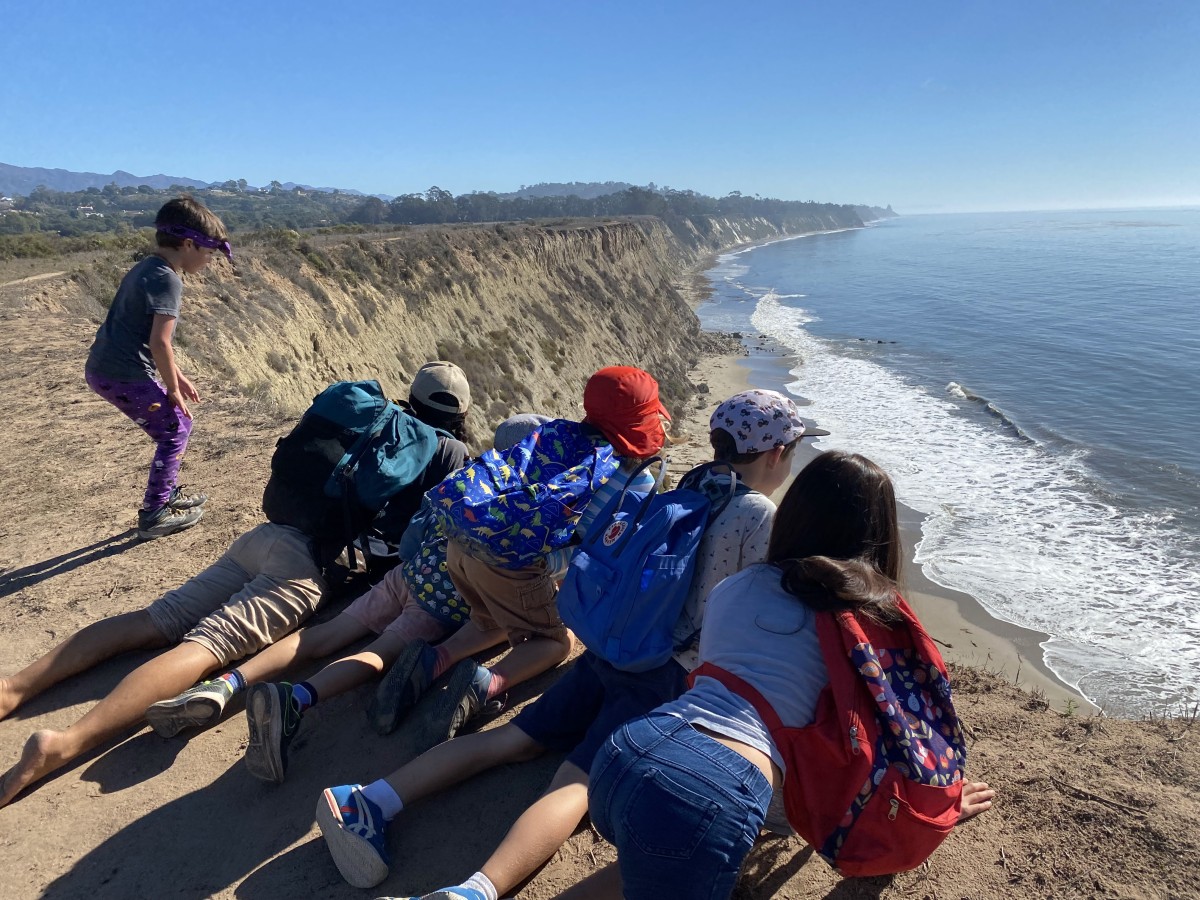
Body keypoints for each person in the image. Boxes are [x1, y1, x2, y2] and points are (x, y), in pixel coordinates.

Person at [314, 389, 817, 897]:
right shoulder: (758, 516)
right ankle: (474, 891)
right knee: (574, 782)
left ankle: (370, 799)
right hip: (665, 673)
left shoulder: (692, 483)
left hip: (614, 644)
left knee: (512, 740)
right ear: (776, 453)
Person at [0, 363, 471, 809]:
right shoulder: (448, 453)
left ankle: (15, 687)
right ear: (461, 415)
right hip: (309, 566)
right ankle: (65, 744)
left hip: (267, 534)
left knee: (157, 618)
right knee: (209, 646)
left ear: (410, 396)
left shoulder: (375, 419)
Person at [579, 451, 997, 900]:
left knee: (653, 859)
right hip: (717, 784)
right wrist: (938, 803)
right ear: (879, 534)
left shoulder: (737, 585)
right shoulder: (864, 620)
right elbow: (898, 732)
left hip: (629, 749)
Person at [146, 414, 549, 785]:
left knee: (323, 635)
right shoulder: (532, 510)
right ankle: (295, 699)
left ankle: (226, 683)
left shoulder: (472, 477)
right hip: (439, 604)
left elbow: (413, 539)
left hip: (405, 576)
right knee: (377, 655)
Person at [84, 197, 232, 540]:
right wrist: (173, 390)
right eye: (209, 253)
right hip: (123, 373)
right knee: (175, 430)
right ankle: (154, 514)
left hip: (106, 367)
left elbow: (143, 336)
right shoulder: (169, 280)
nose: (210, 261)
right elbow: (159, 343)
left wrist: (177, 376)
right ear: (188, 243)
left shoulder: (147, 267)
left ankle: (166, 495)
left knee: (173, 428)